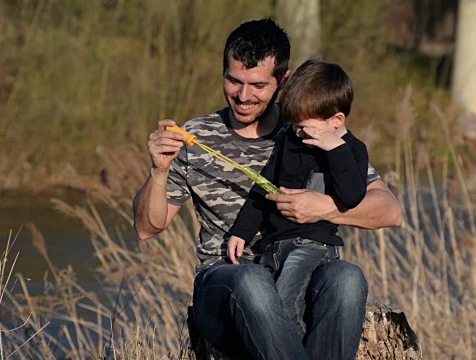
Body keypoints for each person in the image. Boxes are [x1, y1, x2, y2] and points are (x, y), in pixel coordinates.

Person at [132, 18, 403, 360]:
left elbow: (391, 211)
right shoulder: (197, 137)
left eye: (258, 85)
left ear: (284, 82)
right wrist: (158, 172)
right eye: (234, 81)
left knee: (347, 278)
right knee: (252, 281)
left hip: (301, 272)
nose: (243, 96)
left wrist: (323, 208)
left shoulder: (308, 127)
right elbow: (146, 228)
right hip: (226, 283)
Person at [228, 59, 368, 338]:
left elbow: (352, 196)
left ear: (336, 120)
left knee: (283, 301)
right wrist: (241, 232)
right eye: (293, 126)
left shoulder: (351, 151)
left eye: (305, 127)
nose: (298, 133)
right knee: (261, 308)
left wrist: (335, 150)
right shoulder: (289, 142)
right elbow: (262, 188)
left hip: (312, 246)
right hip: (272, 247)